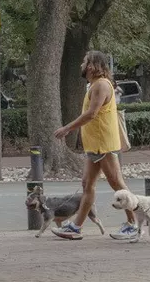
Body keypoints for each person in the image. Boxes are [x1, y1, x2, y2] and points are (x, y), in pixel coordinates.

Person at [50, 51, 139, 241]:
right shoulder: (96, 85)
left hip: (102, 144)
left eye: (84, 61)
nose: (82, 65)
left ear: (92, 65)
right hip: (96, 144)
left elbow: (92, 114)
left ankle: (134, 223)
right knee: (87, 184)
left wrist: (67, 128)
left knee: (117, 183)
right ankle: (76, 227)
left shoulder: (100, 85)